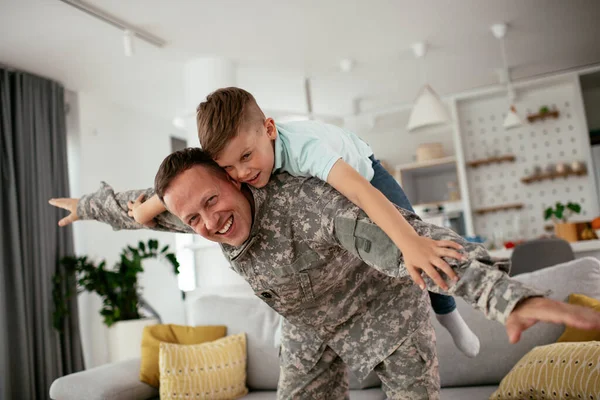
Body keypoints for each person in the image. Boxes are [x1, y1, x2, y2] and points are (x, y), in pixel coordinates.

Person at [49, 148, 600, 400]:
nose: (208, 222)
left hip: (385, 309)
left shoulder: (307, 204)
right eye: (193, 217)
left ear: (237, 180)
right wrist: (87, 204)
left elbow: (414, 244)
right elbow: (136, 204)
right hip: (311, 330)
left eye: (213, 201)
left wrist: (509, 300)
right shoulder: (193, 208)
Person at [127, 87, 479, 357]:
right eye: (229, 168)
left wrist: (411, 243)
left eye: (247, 157)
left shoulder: (306, 150)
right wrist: (147, 210)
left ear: (269, 129)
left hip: (364, 173)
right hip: (321, 198)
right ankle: (294, 320)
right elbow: (187, 180)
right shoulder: (242, 165)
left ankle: (449, 314)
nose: (243, 173)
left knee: (414, 237)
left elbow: (360, 193)